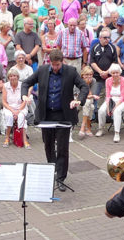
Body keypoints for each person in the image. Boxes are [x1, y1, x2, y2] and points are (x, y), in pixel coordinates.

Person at [21, 50, 88, 190]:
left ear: (62, 61)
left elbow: (84, 86)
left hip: (63, 115)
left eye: (58, 65)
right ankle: (52, 170)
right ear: (49, 62)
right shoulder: (42, 70)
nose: (55, 67)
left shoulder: (71, 71)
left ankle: (61, 178)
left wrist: (78, 100)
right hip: (46, 115)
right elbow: (26, 83)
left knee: (63, 147)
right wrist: (24, 96)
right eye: (53, 65)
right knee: (48, 145)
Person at [98, 65, 124, 142]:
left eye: (117, 73)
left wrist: (115, 107)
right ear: (111, 73)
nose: (115, 74)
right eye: (113, 73)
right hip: (111, 99)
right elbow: (108, 95)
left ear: (120, 73)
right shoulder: (108, 80)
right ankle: (100, 129)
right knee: (101, 110)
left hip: (122, 101)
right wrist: (108, 107)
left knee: (117, 111)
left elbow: (123, 96)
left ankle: (117, 133)